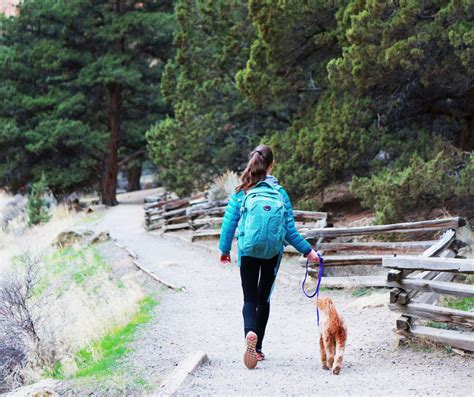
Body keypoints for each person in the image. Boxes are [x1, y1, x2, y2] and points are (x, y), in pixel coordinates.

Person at [218, 144, 320, 369]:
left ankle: (250, 333)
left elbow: (229, 224)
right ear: (272, 165)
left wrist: (224, 250)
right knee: (263, 299)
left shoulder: (241, 191)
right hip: (272, 253)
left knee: (249, 299)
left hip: (247, 251)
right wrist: (308, 251)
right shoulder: (280, 193)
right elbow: (290, 230)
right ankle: (259, 348)